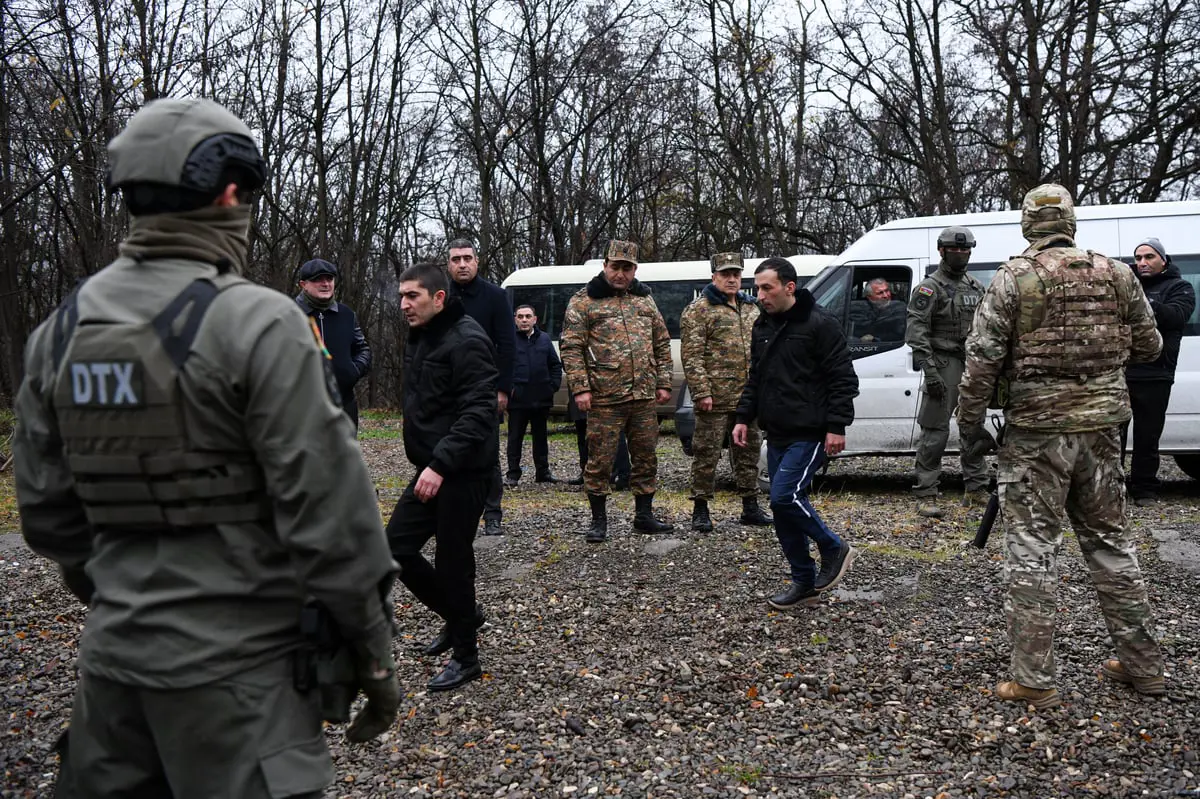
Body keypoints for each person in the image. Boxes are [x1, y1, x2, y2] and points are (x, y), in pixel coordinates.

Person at [12, 97, 399, 799]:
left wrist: (126, 598)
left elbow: (45, 514)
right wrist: (375, 658)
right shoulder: (258, 323)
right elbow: (334, 524)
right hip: (240, 686)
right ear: (229, 194)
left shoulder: (60, 331)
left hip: (111, 679)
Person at [957, 183, 1167, 709]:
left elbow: (981, 362)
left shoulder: (1014, 278)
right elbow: (1151, 345)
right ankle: (1143, 667)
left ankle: (1033, 678)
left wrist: (970, 425)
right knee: (1110, 542)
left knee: (1032, 548)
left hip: (1035, 437)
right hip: (1102, 431)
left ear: (1028, 224)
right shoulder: (1117, 273)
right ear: (1071, 222)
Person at [387, 262, 498, 691]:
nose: (404, 304)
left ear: (438, 298)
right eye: (401, 296)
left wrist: (439, 465)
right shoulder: (422, 336)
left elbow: (478, 414)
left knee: (454, 562)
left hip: (462, 472)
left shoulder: (468, 339)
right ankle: (462, 618)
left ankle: (466, 657)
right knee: (394, 549)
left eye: (412, 296)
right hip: (430, 468)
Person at [733, 257, 859, 609]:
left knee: (783, 498)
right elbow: (756, 377)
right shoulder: (762, 326)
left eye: (767, 288)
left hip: (811, 431)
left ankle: (834, 547)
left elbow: (843, 380)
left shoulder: (820, 324)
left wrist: (836, 427)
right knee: (783, 511)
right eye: (757, 288)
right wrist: (744, 416)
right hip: (777, 432)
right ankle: (803, 581)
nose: (760, 295)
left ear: (789, 287)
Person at [560, 239, 674, 542]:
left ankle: (644, 515)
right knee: (600, 460)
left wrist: (663, 381)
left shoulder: (644, 300)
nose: (621, 274)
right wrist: (580, 389)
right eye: (615, 267)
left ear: (634, 269)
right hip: (604, 398)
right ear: (605, 266)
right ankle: (598, 520)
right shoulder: (584, 301)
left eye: (627, 268)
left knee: (646, 456)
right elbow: (571, 348)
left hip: (643, 396)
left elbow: (661, 342)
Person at [680, 251, 772, 531]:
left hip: (747, 398)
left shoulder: (752, 308)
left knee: (748, 453)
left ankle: (750, 506)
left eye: (736, 274)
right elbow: (692, 356)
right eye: (725, 274)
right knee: (706, 454)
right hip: (715, 398)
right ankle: (701, 508)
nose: (731, 279)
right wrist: (702, 392)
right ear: (714, 277)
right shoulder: (699, 310)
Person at [905, 226, 988, 517]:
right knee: (935, 432)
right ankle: (926, 492)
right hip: (943, 362)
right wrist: (929, 370)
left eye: (965, 250)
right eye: (954, 249)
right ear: (942, 250)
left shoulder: (975, 287)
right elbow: (916, 331)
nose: (960, 254)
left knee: (973, 427)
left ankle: (976, 488)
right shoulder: (930, 288)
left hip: (972, 364)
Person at [447, 237, 516, 536]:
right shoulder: (439, 296)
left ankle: (492, 514)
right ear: (448, 263)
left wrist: (503, 388)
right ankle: (455, 512)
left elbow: (508, 345)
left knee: (487, 452)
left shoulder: (496, 296)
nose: (462, 264)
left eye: (467, 258)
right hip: (446, 388)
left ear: (477, 261)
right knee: (447, 450)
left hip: (484, 387)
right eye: (456, 259)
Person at [1123, 237, 1195, 506]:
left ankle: (1144, 490)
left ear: (1163, 260)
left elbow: (1175, 316)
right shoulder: (1127, 285)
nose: (1142, 263)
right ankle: (1112, 489)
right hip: (1122, 373)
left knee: (1147, 436)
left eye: (1149, 257)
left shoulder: (1180, 287)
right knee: (1112, 438)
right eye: (1138, 258)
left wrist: (1138, 304)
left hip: (1156, 374)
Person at [295, 258, 372, 428]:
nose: (325, 284)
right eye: (317, 279)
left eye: (329, 279)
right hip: (300, 408)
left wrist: (354, 370)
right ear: (303, 284)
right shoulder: (289, 314)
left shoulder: (346, 315)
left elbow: (363, 349)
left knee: (344, 454)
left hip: (344, 405)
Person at [506, 304, 563, 485]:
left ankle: (542, 473)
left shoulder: (545, 339)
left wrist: (552, 386)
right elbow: (502, 367)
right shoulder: (509, 340)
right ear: (515, 319)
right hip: (518, 400)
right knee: (515, 438)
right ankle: (513, 474)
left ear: (535, 319)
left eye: (528, 316)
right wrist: (510, 389)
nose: (524, 320)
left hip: (541, 398)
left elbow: (555, 365)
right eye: (520, 316)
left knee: (541, 438)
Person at [565, 393, 631, 488]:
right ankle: (586, 472)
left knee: (613, 432)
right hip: (581, 393)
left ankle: (622, 473)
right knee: (582, 430)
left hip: (602, 394)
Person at [850, 278, 907, 342]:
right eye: (880, 293)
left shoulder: (900, 307)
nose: (886, 295)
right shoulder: (859, 309)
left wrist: (876, 339)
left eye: (887, 290)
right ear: (869, 297)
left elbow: (900, 333)